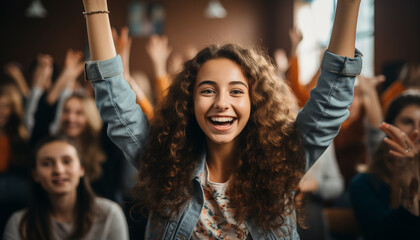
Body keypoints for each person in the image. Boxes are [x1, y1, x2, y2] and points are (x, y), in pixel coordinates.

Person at [82, 0, 362, 239]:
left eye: (236, 91)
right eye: (207, 91)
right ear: (189, 102)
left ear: (255, 102)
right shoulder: (165, 160)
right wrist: (95, 7)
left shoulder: (281, 159)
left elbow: (332, 99)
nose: (221, 103)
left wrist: (349, 4)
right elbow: (116, 102)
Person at [3, 135, 129, 240]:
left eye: (67, 161)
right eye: (47, 163)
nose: (58, 170)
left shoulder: (109, 214)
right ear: (35, 174)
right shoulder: (19, 224)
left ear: (81, 168)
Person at [350, 91, 420, 240]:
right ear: (390, 128)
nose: (416, 131)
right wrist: (403, 177)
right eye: (408, 121)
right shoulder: (364, 184)